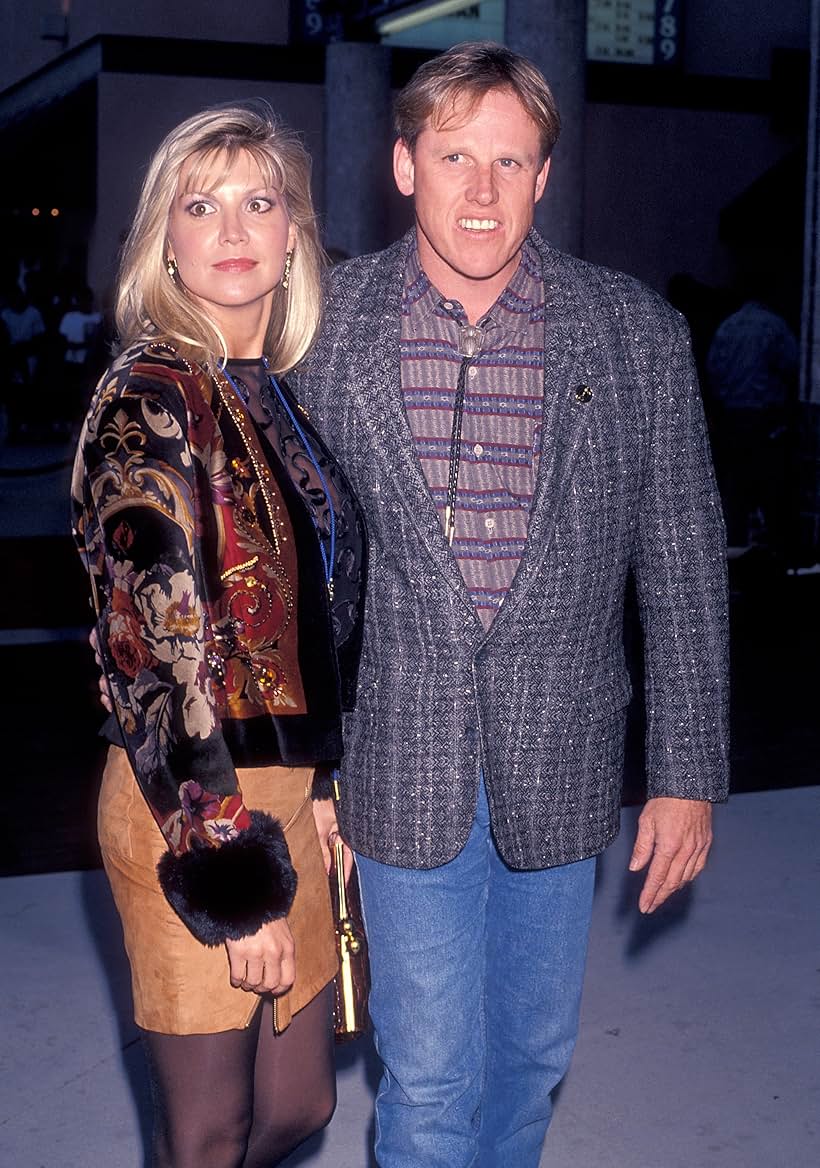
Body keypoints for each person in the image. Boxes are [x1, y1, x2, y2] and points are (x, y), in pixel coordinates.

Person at [294, 42, 730, 1167]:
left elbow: (680, 559)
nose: (480, 192)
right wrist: (304, 769)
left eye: (509, 161)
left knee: (529, 1064)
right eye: (453, 157)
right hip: (398, 757)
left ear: (544, 175)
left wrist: (685, 772)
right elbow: (289, 568)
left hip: (564, 755)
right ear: (403, 164)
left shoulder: (633, 335)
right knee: (432, 1075)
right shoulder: (322, 328)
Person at [71, 101, 366, 1168]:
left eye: (260, 200)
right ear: (167, 241)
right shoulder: (148, 396)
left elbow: (307, 621)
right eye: (202, 205)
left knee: (300, 1112)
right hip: (190, 805)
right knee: (209, 1135)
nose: (234, 226)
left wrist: (323, 788)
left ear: (293, 234)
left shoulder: (269, 398)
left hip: (288, 798)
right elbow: (151, 655)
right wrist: (233, 878)